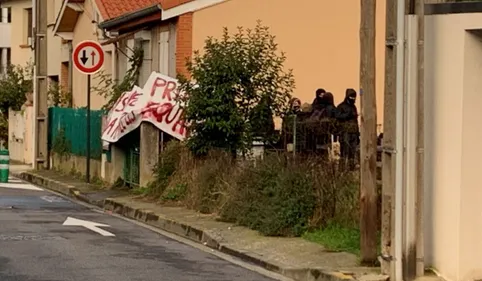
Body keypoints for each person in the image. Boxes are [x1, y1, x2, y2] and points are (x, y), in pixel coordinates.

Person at [336, 88, 359, 169]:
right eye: (351, 97)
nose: (353, 98)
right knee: (344, 151)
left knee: (352, 152)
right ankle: (342, 169)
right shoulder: (341, 106)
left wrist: (357, 133)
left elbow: (356, 121)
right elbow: (338, 117)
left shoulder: (354, 107)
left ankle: (351, 168)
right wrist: (347, 115)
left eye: (354, 97)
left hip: (353, 132)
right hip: (345, 132)